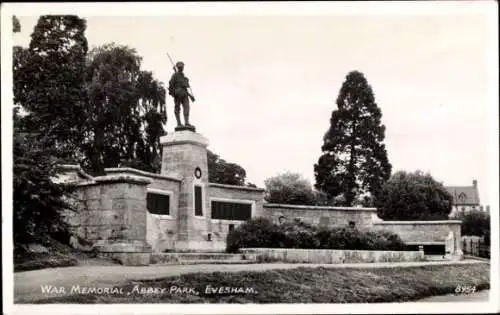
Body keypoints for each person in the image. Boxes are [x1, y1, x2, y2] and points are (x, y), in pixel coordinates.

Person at [168, 61, 195, 128]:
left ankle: (186, 122)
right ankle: (179, 123)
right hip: (178, 93)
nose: (181, 67)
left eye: (182, 66)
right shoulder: (175, 75)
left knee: (187, 108)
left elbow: (185, 88)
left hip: (185, 94)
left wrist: (190, 95)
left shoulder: (183, 77)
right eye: (180, 66)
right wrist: (174, 93)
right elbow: (171, 84)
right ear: (178, 67)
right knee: (177, 108)